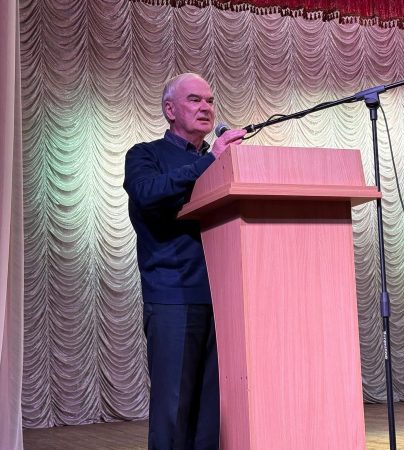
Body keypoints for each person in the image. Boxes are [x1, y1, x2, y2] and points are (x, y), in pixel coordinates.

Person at [123, 73, 247, 450]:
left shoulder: (222, 160)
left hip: (224, 299)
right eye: (195, 100)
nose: (206, 107)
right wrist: (209, 161)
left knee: (211, 418)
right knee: (173, 412)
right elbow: (147, 194)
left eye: (210, 100)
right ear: (170, 109)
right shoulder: (146, 155)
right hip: (173, 296)